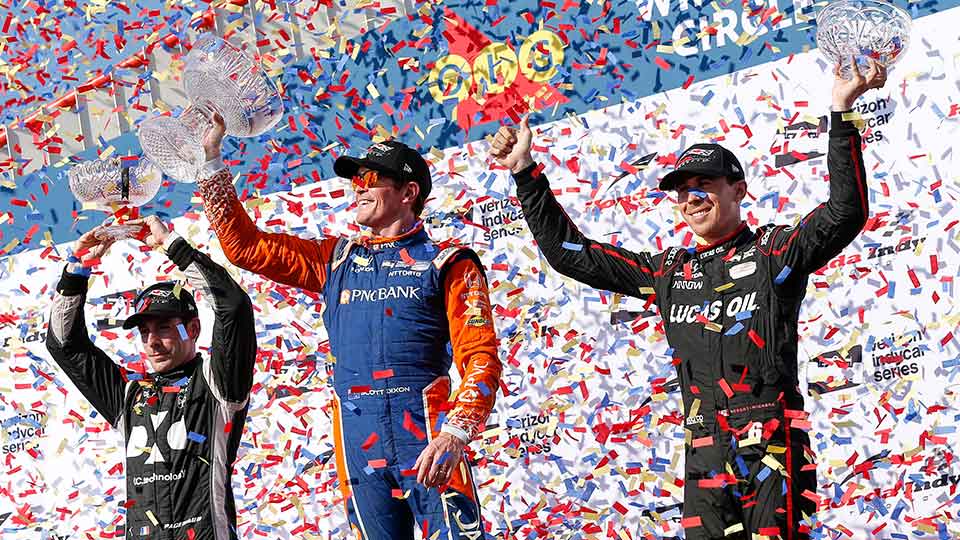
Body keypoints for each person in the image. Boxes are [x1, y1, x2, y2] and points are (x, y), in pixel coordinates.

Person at [489, 60, 887, 539]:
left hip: (771, 440)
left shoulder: (773, 251)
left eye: (704, 185)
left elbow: (846, 212)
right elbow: (573, 257)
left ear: (738, 190)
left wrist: (842, 111)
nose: (691, 197)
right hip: (703, 448)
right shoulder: (667, 273)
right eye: (682, 191)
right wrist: (526, 174)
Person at [196, 121, 502, 539]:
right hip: (361, 448)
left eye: (371, 179)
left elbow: (480, 356)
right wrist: (211, 162)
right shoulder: (334, 259)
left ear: (409, 193)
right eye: (355, 179)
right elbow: (245, 247)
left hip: (431, 442)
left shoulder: (449, 263)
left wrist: (456, 433)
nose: (357, 187)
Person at [45, 215, 256, 540]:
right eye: (144, 332)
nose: (152, 341)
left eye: (164, 328)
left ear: (194, 329)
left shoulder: (218, 383)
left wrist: (171, 246)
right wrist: (77, 269)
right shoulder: (130, 395)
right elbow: (64, 343)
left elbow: (233, 306)